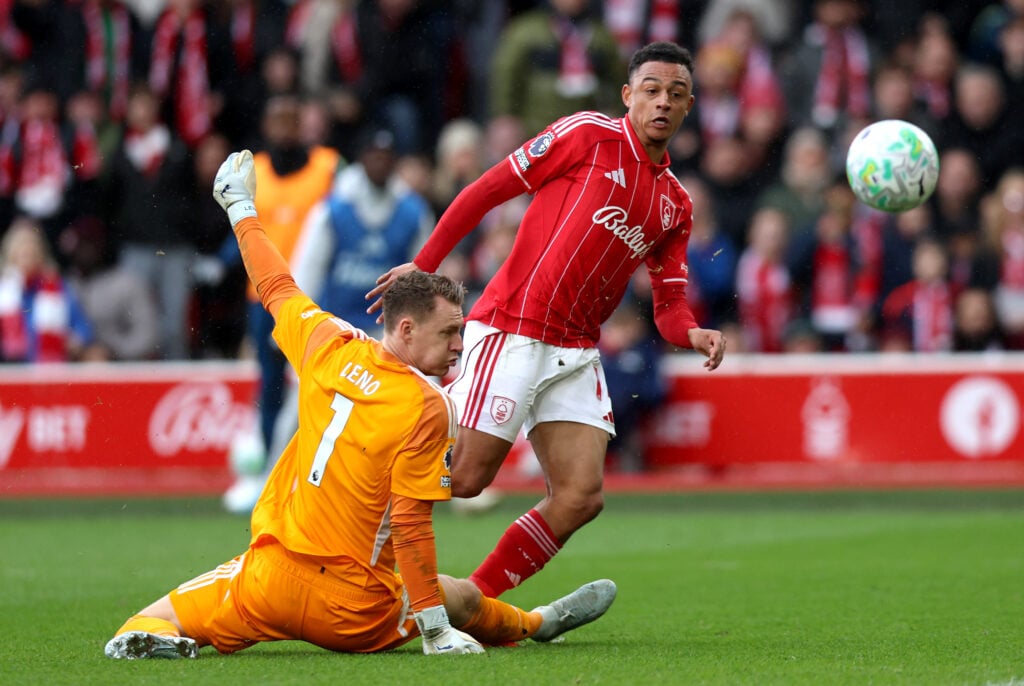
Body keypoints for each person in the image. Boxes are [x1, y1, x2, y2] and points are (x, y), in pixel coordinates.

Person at [103, 149, 616, 660]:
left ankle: (163, 640)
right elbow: (412, 525)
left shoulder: (327, 343)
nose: (461, 344)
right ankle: (534, 623)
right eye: (451, 333)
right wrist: (436, 629)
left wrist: (240, 209)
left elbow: (276, 284)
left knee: (147, 621)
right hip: (355, 609)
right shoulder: (429, 405)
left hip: (268, 582)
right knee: (455, 593)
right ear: (407, 329)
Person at [368, 41, 726, 599]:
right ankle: (353, 529)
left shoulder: (674, 203)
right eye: (651, 90)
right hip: (514, 328)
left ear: (688, 107)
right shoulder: (587, 135)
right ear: (628, 95)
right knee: (465, 478)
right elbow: (489, 189)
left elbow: (668, 306)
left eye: (675, 95)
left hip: (577, 351)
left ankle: (476, 601)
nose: (662, 102)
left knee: (581, 496)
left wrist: (693, 332)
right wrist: (425, 262)